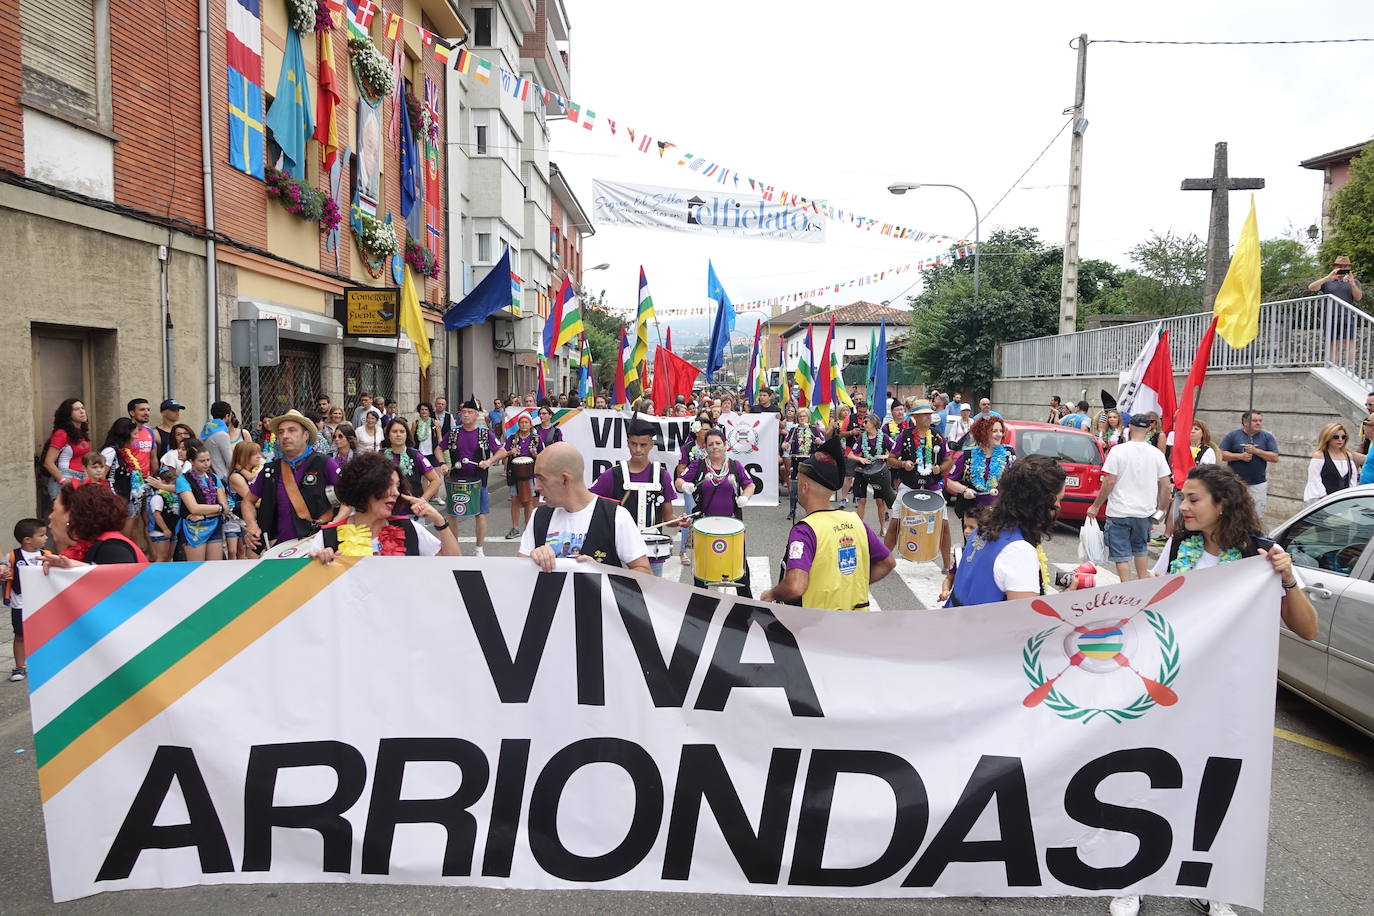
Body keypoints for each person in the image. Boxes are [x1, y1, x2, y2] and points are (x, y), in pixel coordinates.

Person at [1112, 463, 1318, 916]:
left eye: (1192, 499)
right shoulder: (1179, 546)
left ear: (1222, 506)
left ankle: (1210, 881)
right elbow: (1154, 608)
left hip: (1231, 695)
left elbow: (1307, 629)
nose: (1182, 507)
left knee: (1215, 788)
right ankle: (1135, 876)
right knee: (1153, 778)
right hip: (1175, 686)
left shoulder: (1261, 557)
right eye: (1182, 498)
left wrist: (1286, 577)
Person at [761, 435, 894, 609]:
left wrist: (772, 593)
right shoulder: (855, 521)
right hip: (858, 622)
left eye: (799, 481)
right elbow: (888, 562)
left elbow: (795, 586)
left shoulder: (805, 531)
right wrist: (848, 586)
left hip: (817, 626)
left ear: (805, 487)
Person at [946, 454, 1073, 606]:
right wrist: (1068, 598)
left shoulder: (983, 529)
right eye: (1058, 500)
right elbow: (1027, 620)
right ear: (1041, 503)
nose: (1060, 507)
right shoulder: (1018, 550)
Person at [520, 442, 650, 572]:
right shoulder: (538, 516)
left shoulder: (616, 516)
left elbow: (646, 575)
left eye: (541, 479)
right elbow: (516, 574)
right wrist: (532, 560)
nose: (537, 487)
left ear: (565, 479)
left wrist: (602, 574)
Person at [308, 452, 460, 561]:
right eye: (387, 485)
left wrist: (439, 520)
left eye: (398, 486)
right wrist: (320, 565)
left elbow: (453, 563)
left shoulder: (409, 529)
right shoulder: (328, 537)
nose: (395, 493)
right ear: (365, 487)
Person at [589, 416, 681, 576]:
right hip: (619, 550)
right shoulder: (613, 474)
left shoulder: (662, 476)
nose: (638, 449)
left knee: (650, 598)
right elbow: (589, 502)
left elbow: (668, 517)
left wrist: (680, 522)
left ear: (652, 445)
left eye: (643, 445)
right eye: (634, 444)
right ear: (627, 443)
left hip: (652, 554)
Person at [1087, 414, 1172, 582]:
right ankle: (1142, 582)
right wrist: (1161, 509)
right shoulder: (1156, 453)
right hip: (1144, 512)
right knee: (1140, 549)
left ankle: (1125, 587)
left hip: (1119, 510)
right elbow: (1167, 485)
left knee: (1121, 554)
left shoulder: (1118, 450)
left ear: (1129, 428)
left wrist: (1096, 506)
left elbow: (1109, 481)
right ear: (1148, 429)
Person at [242, 410, 339, 550]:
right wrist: (251, 525)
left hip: (320, 547)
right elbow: (247, 502)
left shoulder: (325, 463)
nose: (285, 436)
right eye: (281, 432)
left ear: (306, 435)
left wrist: (335, 526)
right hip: (282, 549)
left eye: (292, 430)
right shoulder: (271, 470)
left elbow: (349, 499)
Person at [676, 428, 757, 597]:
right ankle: (700, 613)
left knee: (740, 573)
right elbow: (678, 480)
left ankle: (747, 610)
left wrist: (745, 497)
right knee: (702, 575)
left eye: (718, 443)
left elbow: (750, 484)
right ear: (705, 447)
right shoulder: (697, 465)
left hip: (732, 526)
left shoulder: (735, 465)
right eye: (711, 444)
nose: (715, 447)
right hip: (704, 526)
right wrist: (684, 486)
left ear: (725, 445)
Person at [885, 399, 954, 572]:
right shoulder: (905, 436)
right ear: (915, 417)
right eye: (925, 414)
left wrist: (940, 469)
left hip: (932, 487)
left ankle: (947, 564)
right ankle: (884, 561)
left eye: (930, 414)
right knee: (895, 522)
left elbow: (948, 460)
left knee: (944, 525)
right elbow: (891, 459)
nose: (929, 417)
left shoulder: (938, 437)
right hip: (908, 486)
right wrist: (903, 464)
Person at [442, 397, 502, 557]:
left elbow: (502, 451)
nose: (466, 415)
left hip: (478, 479)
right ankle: (454, 548)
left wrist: (489, 461)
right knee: (452, 515)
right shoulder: (454, 432)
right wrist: (442, 463)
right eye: (464, 412)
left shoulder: (485, 433)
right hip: (455, 478)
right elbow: (438, 448)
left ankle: (479, 549)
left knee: (480, 514)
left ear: (476, 415)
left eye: (470, 412)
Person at [42, 479, 148, 568]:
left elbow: (124, 585)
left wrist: (80, 569)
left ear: (70, 514)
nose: (50, 516)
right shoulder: (90, 546)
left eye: (54, 510)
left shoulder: (112, 547)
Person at [1, 518, 50, 681]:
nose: (46, 538)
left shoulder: (47, 555)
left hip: (42, 603)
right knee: (20, 635)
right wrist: (3, 575)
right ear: (27, 540)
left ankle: (43, 664)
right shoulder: (12, 556)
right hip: (20, 603)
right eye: (42, 535)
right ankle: (19, 667)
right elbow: (4, 573)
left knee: (44, 634)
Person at [948, 416, 1013, 517]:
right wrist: (965, 490)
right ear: (983, 433)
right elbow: (950, 481)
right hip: (973, 514)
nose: (999, 434)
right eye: (994, 431)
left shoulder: (1008, 455)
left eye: (1001, 431)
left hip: (999, 514)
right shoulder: (967, 456)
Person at [1219, 411, 1279, 517]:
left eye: (1260, 421)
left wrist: (1256, 451)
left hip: (1258, 483)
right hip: (1235, 483)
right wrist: (1239, 456)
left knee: (1256, 514)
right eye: (1255, 421)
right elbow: (1221, 454)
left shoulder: (1267, 437)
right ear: (1245, 422)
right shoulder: (1233, 436)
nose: (1258, 423)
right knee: (1233, 512)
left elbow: (1274, 457)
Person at [176, 441, 229, 561]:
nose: (206, 464)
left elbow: (225, 507)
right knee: (196, 567)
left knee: (215, 566)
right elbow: (194, 508)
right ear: (191, 461)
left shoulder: (214, 478)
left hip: (214, 525)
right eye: (202, 461)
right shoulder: (183, 480)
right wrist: (219, 508)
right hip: (194, 528)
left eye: (208, 460)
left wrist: (205, 514)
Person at [1308, 255, 1364, 365]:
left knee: (1349, 343)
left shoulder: (1355, 282)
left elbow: (1358, 297)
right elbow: (1311, 287)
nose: (1341, 268)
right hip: (1330, 316)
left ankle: (1349, 369)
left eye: (1344, 266)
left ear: (1349, 267)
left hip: (1347, 316)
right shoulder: (1327, 282)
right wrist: (1328, 277)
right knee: (1333, 343)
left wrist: (1352, 283)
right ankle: (1332, 367)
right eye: (1339, 266)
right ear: (1334, 267)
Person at [99, 418, 149, 541]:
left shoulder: (124, 451)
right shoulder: (110, 451)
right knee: (122, 534)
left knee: (130, 532)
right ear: (125, 434)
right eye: (134, 434)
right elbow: (100, 476)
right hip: (116, 498)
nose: (136, 438)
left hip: (127, 497)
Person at [676, 411, 715, 563]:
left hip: (710, 486)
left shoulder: (712, 446)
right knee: (690, 515)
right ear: (697, 431)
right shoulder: (687, 448)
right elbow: (681, 468)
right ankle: (683, 551)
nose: (708, 432)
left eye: (709, 430)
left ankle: (708, 549)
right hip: (692, 488)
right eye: (705, 429)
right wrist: (686, 483)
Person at [849, 411, 896, 531]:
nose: (863, 424)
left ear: (873, 423)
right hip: (862, 471)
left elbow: (896, 450)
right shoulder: (861, 438)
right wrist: (860, 458)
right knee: (862, 501)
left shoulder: (883, 437)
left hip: (879, 473)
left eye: (866, 422)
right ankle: (859, 529)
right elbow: (850, 454)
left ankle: (882, 528)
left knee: (880, 501)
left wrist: (886, 456)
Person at [503, 412, 542, 538]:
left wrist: (536, 455)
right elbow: (502, 453)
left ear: (530, 424)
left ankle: (528, 527)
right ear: (518, 424)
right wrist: (510, 452)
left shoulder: (536, 439)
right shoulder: (512, 438)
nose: (524, 425)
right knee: (515, 500)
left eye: (526, 422)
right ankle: (515, 528)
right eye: (521, 422)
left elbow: (543, 455)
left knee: (529, 501)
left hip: (530, 474)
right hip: (515, 472)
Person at [42, 398, 90, 498]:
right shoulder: (61, 434)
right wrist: (64, 482)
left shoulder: (81, 433)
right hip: (65, 479)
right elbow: (48, 463)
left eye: (82, 408)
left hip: (80, 479)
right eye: (76, 409)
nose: (82, 411)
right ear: (68, 414)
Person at [937, 506, 986, 604]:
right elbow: (949, 578)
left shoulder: (990, 554)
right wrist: (945, 590)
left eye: (972, 528)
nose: (966, 531)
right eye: (965, 527)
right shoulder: (961, 553)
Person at [1304, 421, 1359, 503]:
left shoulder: (1348, 455)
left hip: (1344, 501)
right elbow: (1314, 478)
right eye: (1336, 437)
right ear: (1328, 437)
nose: (1340, 440)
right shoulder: (1319, 455)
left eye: (1343, 437)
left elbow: (1352, 479)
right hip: (1324, 501)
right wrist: (1324, 497)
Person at [225, 440, 261, 559]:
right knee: (241, 551)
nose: (259, 456)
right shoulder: (236, 477)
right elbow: (250, 500)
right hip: (240, 518)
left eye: (259, 453)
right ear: (243, 457)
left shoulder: (251, 472)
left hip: (252, 518)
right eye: (254, 454)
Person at [145, 469, 177, 562]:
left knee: (168, 557)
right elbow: (156, 514)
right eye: (173, 483)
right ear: (163, 483)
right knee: (161, 558)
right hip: (160, 531)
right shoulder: (158, 497)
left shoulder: (173, 497)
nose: (175, 486)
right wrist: (165, 529)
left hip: (171, 530)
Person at [201, 401, 236, 478]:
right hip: (221, 476)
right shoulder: (222, 434)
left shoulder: (206, 431)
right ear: (227, 416)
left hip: (210, 474)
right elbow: (230, 462)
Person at [126, 398, 157, 479]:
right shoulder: (125, 431)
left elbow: (153, 457)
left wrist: (154, 477)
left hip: (146, 479)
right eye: (142, 410)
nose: (146, 413)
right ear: (132, 412)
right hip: (129, 478)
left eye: (148, 410)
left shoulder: (150, 431)